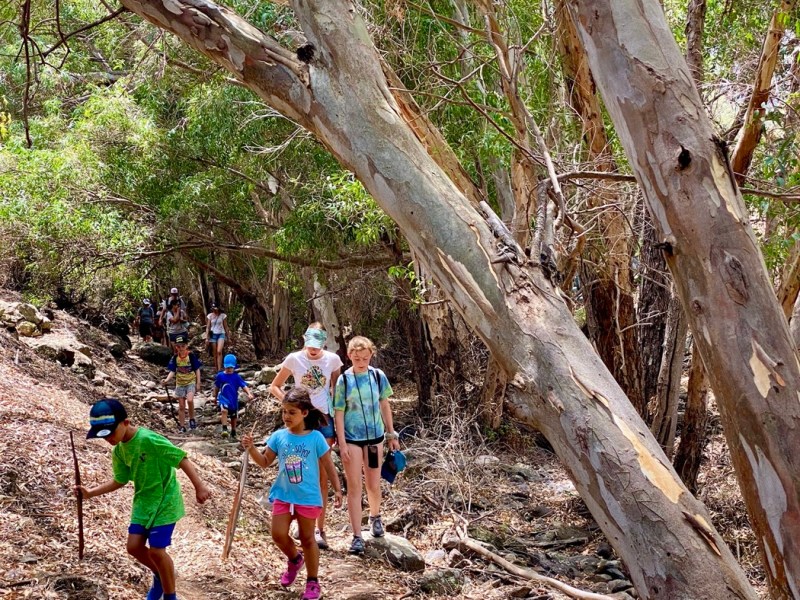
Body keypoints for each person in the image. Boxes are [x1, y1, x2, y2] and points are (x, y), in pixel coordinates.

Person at [75, 398, 211, 600]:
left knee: (157, 551)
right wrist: (90, 493)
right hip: (143, 502)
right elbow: (119, 480)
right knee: (134, 547)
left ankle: (169, 595)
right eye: (103, 437)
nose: (109, 439)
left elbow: (181, 458)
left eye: (111, 433)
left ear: (126, 423)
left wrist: (199, 486)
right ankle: (160, 573)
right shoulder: (119, 450)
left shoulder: (148, 440)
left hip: (165, 502)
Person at [242, 388, 342, 600]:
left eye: (292, 412)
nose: (286, 417)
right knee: (278, 534)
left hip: (307, 496)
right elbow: (264, 462)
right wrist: (251, 449)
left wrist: (337, 489)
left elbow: (328, 465)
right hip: (283, 495)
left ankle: (312, 581)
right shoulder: (278, 436)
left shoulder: (315, 438)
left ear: (305, 413)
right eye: (284, 412)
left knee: (307, 538)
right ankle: (295, 560)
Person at [269, 323, 342, 550]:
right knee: (298, 470)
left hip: (323, 420)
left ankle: (319, 529)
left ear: (324, 343)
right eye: (310, 345)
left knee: (321, 474)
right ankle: (299, 521)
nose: (313, 350)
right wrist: (290, 405)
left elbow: (335, 391)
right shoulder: (293, 359)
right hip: (302, 420)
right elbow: (275, 385)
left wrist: (339, 425)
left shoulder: (332, 360)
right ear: (304, 340)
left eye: (317, 346)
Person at [333, 336, 400, 555]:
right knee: (354, 487)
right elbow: (339, 412)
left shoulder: (378, 377)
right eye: (356, 357)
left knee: (373, 483)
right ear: (349, 356)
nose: (361, 361)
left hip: (375, 438)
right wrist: (341, 443)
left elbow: (384, 404)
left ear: (371, 355)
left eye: (364, 357)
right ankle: (356, 536)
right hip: (352, 439)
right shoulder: (344, 380)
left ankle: (375, 517)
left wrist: (391, 434)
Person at [163, 334, 202, 432]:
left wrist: (198, 383)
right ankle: (182, 425)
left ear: (186, 345)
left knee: (189, 400)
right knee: (181, 405)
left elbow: (197, 369)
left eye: (183, 346)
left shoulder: (191, 356)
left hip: (190, 381)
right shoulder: (175, 357)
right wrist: (167, 380)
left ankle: (192, 418)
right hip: (180, 383)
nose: (180, 348)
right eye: (178, 346)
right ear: (176, 347)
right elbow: (173, 371)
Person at [213, 353, 253, 439]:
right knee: (224, 411)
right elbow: (216, 387)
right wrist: (215, 397)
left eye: (231, 367)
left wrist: (249, 393)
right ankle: (224, 429)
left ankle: (233, 431)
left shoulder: (236, 377)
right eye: (227, 367)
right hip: (223, 398)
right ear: (224, 366)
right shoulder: (220, 376)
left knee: (234, 416)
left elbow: (243, 386)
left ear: (234, 367)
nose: (229, 369)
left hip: (233, 400)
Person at [205, 303, 230, 373]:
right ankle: (216, 368)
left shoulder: (223, 316)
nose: (214, 309)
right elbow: (208, 327)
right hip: (213, 334)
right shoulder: (210, 316)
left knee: (219, 351)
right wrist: (207, 337)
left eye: (215, 307)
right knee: (215, 352)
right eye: (213, 307)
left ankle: (219, 369)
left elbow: (226, 326)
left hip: (221, 334)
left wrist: (228, 337)